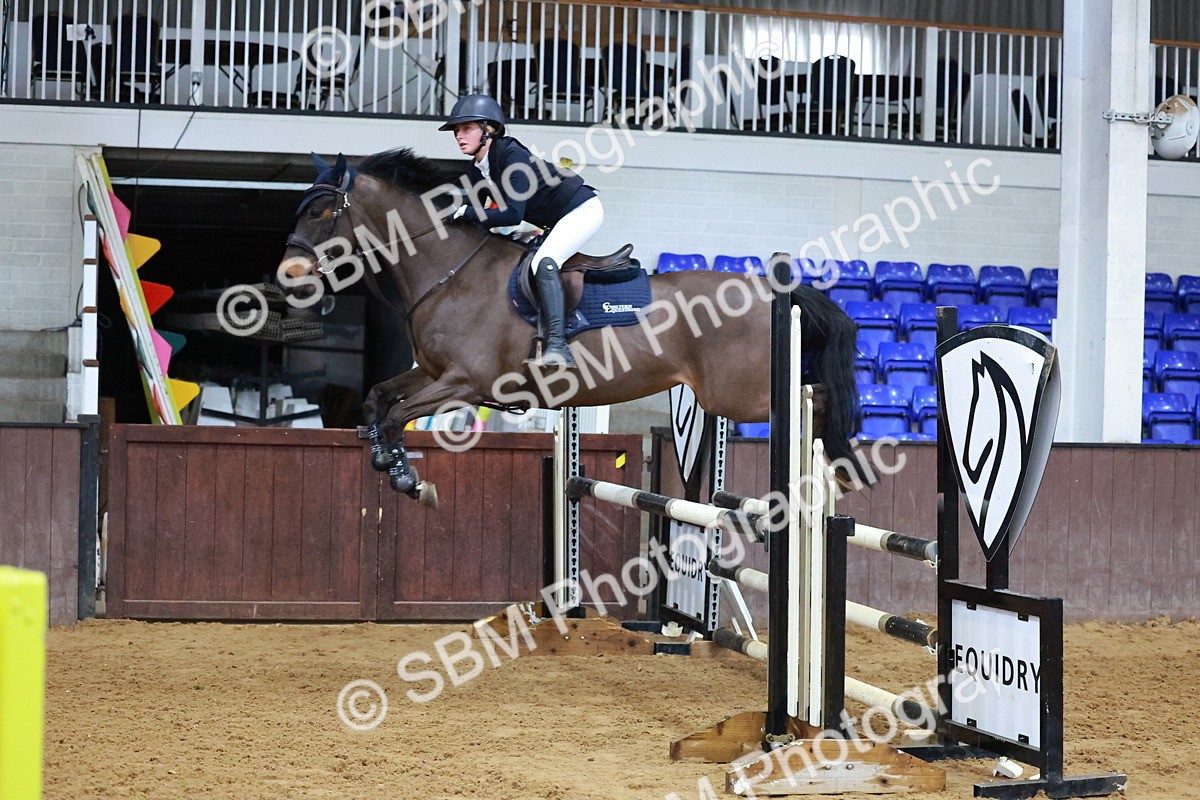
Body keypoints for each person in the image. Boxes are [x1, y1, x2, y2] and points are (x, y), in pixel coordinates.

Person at [439, 93, 604, 369]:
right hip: (554, 219)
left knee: (544, 263)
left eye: (466, 128)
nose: (459, 136)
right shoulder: (478, 168)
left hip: (582, 210)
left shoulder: (511, 156)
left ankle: (557, 346)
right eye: (456, 130)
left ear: (488, 130)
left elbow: (511, 215)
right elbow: (478, 217)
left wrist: (465, 213)